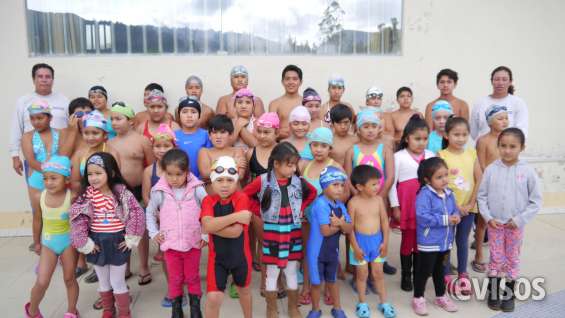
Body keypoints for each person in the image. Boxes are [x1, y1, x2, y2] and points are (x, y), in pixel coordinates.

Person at [243, 142, 317, 318]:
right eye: (289, 165)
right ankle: (271, 309)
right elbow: (244, 195)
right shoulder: (262, 181)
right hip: (273, 233)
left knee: (291, 269)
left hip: (292, 232)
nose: (293, 169)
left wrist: (301, 209)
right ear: (276, 164)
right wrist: (259, 210)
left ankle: (293, 307)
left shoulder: (299, 182)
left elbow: (312, 193)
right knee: (272, 271)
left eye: (294, 165)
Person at [70, 152, 146, 318]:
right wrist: (85, 242)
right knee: (103, 281)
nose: (93, 178)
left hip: (118, 241)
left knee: (117, 281)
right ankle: (108, 310)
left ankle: (125, 312)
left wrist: (132, 237)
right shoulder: (86, 195)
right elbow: (77, 219)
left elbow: (136, 213)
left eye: (98, 173)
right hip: (96, 243)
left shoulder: (121, 193)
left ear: (110, 173)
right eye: (90, 174)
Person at [478, 128, 542, 312]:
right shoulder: (491, 170)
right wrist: (488, 218)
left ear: (522, 147)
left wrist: (520, 219)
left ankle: (508, 294)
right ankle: (493, 292)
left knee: (512, 259)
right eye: (503, 146)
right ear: (498, 147)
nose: (507, 150)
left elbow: (535, 201)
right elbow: (482, 197)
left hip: (515, 226)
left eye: (512, 146)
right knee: (496, 258)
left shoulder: (528, 172)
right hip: (495, 225)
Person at [146, 149, 207, 318]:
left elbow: (208, 212)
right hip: (170, 245)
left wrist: (205, 234)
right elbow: (150, 212)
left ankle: (196, 309)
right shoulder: (159, 191)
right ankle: (176, 309)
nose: (174, 179)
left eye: (179, 174)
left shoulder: (197, 190)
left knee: (193, 277)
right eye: (169, 174)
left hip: (192, 243)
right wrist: (153, 232)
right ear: (164, 172)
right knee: (175, 278)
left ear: (187, 172)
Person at [24, 156, 79, 318]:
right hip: (48, 243)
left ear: (66, 179)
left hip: (68, 242)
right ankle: (32, 310)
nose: (49, 182)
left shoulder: (72, 196)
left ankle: (71, 311)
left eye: (54, 178)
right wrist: (36, 243)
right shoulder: (39, 197)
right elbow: (37, 220)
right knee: (42, 281)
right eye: (45, 178)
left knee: (69, 278)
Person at [345, 110, 397, 277]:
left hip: (379, 199)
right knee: (357, 231)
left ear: (379, 128)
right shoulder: (352, 151)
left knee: (379, 229)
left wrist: (379, 197)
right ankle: (358, 269)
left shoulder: (385, 149)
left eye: (374, 126)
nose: (370, 130)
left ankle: (377, 267)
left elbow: (390, 176)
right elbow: (347, 177)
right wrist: (357, 196)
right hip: (357, 200)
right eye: (365, 126)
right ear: (358, 129)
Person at [300, 128, 348, 306]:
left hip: (328, 220)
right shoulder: (305, 165)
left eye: (323, 145)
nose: (318, 149)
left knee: (330, 254)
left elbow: (345, 192)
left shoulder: (336, 166)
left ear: (330, 147)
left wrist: (332, 214)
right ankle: (306, 287)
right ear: (310, 146)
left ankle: (328, 288)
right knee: (309, 253)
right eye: (314, 145)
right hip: (307, 219)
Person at [200, 156, 253, 318]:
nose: (224, 185)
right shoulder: (208, 201)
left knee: (243, 291)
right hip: (218, 260)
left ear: (236, 182)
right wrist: (236, 217)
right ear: (212, 182)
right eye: (220, 180)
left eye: (230, 180)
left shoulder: (241, 198)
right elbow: (206, 226)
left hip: (241, 258)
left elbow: (236, 232)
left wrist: (213, 226)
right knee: (213, 297)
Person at [108, 102, 154, 286]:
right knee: (122, 230)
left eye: (118, 118)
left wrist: (147, 190)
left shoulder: (142, 141)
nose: (114, 122)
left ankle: (144, 266)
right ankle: (125, 265)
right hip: (118, 191)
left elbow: (150, 166)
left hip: (138, 189)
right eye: (112, 119)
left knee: (140, 230)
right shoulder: (109, 143)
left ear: (131, 121)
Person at [388, 115, 435, 292]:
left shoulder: (431, 155)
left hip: (426, 207)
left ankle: (418, 274)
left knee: (422, 241)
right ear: (407, 138)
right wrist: (395, 206)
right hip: (407, 206)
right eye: (417, 139)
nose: (421, 143)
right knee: (408, 240)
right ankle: (406, 274)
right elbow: (393, 183)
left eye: (424, 139)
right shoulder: (398, 156)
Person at [438, 117, 482, 295]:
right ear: (447, 135)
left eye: (464, 134)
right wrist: (456, 205)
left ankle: (463, 273)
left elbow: (479, 178)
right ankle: (446, 273)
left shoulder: (472, 153)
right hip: (449, 208)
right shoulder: (441, 155)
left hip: (469, 207)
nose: (461, 138)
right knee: (447, 241)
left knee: (462, 240)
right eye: (456, 134)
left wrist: (471, 203)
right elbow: (440, 183)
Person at [412, 157, 460, 316]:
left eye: (446, 175)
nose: (444, 179)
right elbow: (422, 217)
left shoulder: (449, 193)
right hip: (429, 242)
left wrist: (456, 216)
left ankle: (441, 296)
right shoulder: (424, 195)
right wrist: (446, 219)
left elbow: (454, 210)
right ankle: (418, 298)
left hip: (445, 242)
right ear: (427, 179)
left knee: (441, 269)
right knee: (424, 271)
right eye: (439, 177)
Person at [349, 165, 396, 318]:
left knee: (378, 274)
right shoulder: (353, 203)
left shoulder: (378, 200)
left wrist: (385, 242)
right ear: (360, 187)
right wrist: (355, 248)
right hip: (360, 243)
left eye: (378, 183)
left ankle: (384, 302)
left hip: (377, 242)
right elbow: (350, 229)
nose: (378, 187)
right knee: (362, 275)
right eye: (373, 184)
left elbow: (384, 222)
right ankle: (362, 303)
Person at [306, 166, 353, 318]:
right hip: (317, 253)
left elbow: (349, 228)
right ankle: (315, 309)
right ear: (324, 186)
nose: (340, 189)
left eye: (341, 185)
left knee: (332, 281)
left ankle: (337, 308)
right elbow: (325, 231)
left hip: (332, 252)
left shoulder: (339, 205)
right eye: (335, 185)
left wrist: (339, 224)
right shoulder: (320, 204)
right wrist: (340, 224)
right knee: (316, 283)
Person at [141, 123, 178, 307]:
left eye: (166, 146)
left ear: (174, 147)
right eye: (158, 146)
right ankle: (173, 288)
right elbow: (146, 197)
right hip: (161, 220)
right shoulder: (149, 171)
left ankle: (182, 286)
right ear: (152, 147)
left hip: (180, 219)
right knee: (166, 256)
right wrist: (157, 213)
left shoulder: (181, 170)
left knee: (182, 254)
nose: (161, 150)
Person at [11, 63, 69, 178]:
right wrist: (15, 155)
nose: (44, 80)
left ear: (52, 80)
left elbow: (70, 128)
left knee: (59, 193)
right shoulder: (23, 101)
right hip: (34, 157)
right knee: (37, 192)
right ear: (33, 79)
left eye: (48, 77)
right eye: (40, 76)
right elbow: (16, 128)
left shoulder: (64, 100)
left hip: (60, 157)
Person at [472, 105, 509, 273]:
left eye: (506, 118)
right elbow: (480, 164)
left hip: (507, 187)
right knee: (482, 223)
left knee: (504, 222)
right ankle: (479, 254)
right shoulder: (483, 140)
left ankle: (501, 255)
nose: (504, 121)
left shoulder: (509, 139)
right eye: (500, 118)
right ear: (490, 122)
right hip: (488, 187)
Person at [244, 112, 280, 284]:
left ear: (276, 133)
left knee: (276, 242)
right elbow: (245, 181)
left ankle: (276, 279)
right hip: (258, 205)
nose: (263, 136)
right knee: (263, 241)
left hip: (280, 204)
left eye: (267, 132)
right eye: (259, 131)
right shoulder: (251, 152)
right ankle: (267, 282)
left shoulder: (281, 152)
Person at [21, 101, 61, 222]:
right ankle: (38, 241)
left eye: (40, 118)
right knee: (38, 213)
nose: (36, 122)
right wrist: (51, 174)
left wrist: (57, 177)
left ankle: (56, 239)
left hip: (58, 178)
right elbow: (31, 161)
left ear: (50, 118)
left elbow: (64, 156)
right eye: (32, 119)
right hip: (37, 178)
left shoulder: (60, 134)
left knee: (58, 211)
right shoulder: (27, 137)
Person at [470, 66, 529, 140]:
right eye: (497, 79)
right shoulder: (480, 103)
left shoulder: (518, 103)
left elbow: (522, 131)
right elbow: (473, 132)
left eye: (504, 79)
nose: (500, 83)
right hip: (483, 148)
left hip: (507, 149)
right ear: (492, 81)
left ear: (510, 82)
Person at [70, 110, 120, 193]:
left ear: (105, 135)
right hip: (85, 195)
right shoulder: (79, 154)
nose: (90, 138)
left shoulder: (112, 153)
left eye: (95, 133)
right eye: (86, 133)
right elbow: (75, 182)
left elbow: (115, 181)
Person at [197, 115, 247, 192]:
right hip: (213, 199)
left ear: (230, 135)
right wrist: (233, 164)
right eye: (214, 132)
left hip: (235, 199)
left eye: (223, 132)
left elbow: (240, 176)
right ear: (209, 136)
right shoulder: (204, 152)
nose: (218, 136)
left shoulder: (238, 151)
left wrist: (214, 174)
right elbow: (205, 174)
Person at [175, 97, 212, 179]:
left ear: (199, 115)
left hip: (202, 182)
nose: (189, 115)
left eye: (193, 112)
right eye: (184, 112)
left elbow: (212, 157)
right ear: (179, 115)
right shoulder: (173, 136)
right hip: (179, 182)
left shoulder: (207, 135)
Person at [269, 65, 304, 139]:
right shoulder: (274, 104)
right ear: (282, 82)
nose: (291, 82)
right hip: (281, 145)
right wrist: (279, 134)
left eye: (295, 79)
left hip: (303, 145)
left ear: (300, 82)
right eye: (287, 79)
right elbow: (270, 130)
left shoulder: (306, 103)